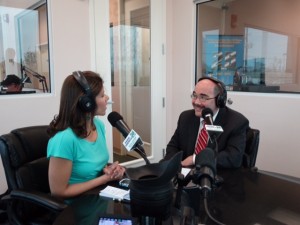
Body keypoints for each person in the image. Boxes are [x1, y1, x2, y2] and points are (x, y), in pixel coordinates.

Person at [47, 70, 125, 201]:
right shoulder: (64, 139)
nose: (107, 98)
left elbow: (94, 167)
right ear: (86, 102)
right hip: (76, 208)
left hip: (98, 196)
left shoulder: (98, 126)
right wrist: (103, 179)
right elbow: (58, 192)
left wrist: (111, 170)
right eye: (101, 95)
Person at [163, 77, 249, 169]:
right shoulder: (185, 117)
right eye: (194, 96)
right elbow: (173, 147)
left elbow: (233, 158)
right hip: (186, 176)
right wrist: (167, 169)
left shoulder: (236, 122)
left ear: (219, 100)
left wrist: (195, 159)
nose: (196, 102)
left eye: (203, 97)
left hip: (217, 177)